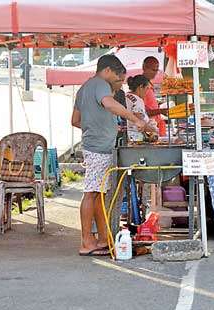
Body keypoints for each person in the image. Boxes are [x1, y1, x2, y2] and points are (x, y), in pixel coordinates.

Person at [71, 54, 155, 256]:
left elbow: (75, 120)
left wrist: (99, 127)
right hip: (98, 149)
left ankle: (103, 238)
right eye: (118, 80)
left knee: (100, 195)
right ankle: (86, 242)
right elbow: (108, 103)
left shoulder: (84, 88)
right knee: (91, 193)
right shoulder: (100, 83)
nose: (118, 86)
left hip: (97, 145)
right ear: (108, 71)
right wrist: (135, 119)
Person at [125, 75, 158, 142]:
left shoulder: (126, 95)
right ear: (141, 87)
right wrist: (154, 129)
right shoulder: (138, 100)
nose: (147, 92)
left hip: (128, 135)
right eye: (147, 88)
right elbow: (140, 122)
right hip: (136, 137)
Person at [141, 56, 168, 136]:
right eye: (153, 70)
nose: (155, 73)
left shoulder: (149, 84)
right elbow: (143, 112)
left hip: (156, 126)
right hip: (149, 129)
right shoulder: (141, 86)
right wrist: (161, 111)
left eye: (157, 70)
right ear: (144, 67)